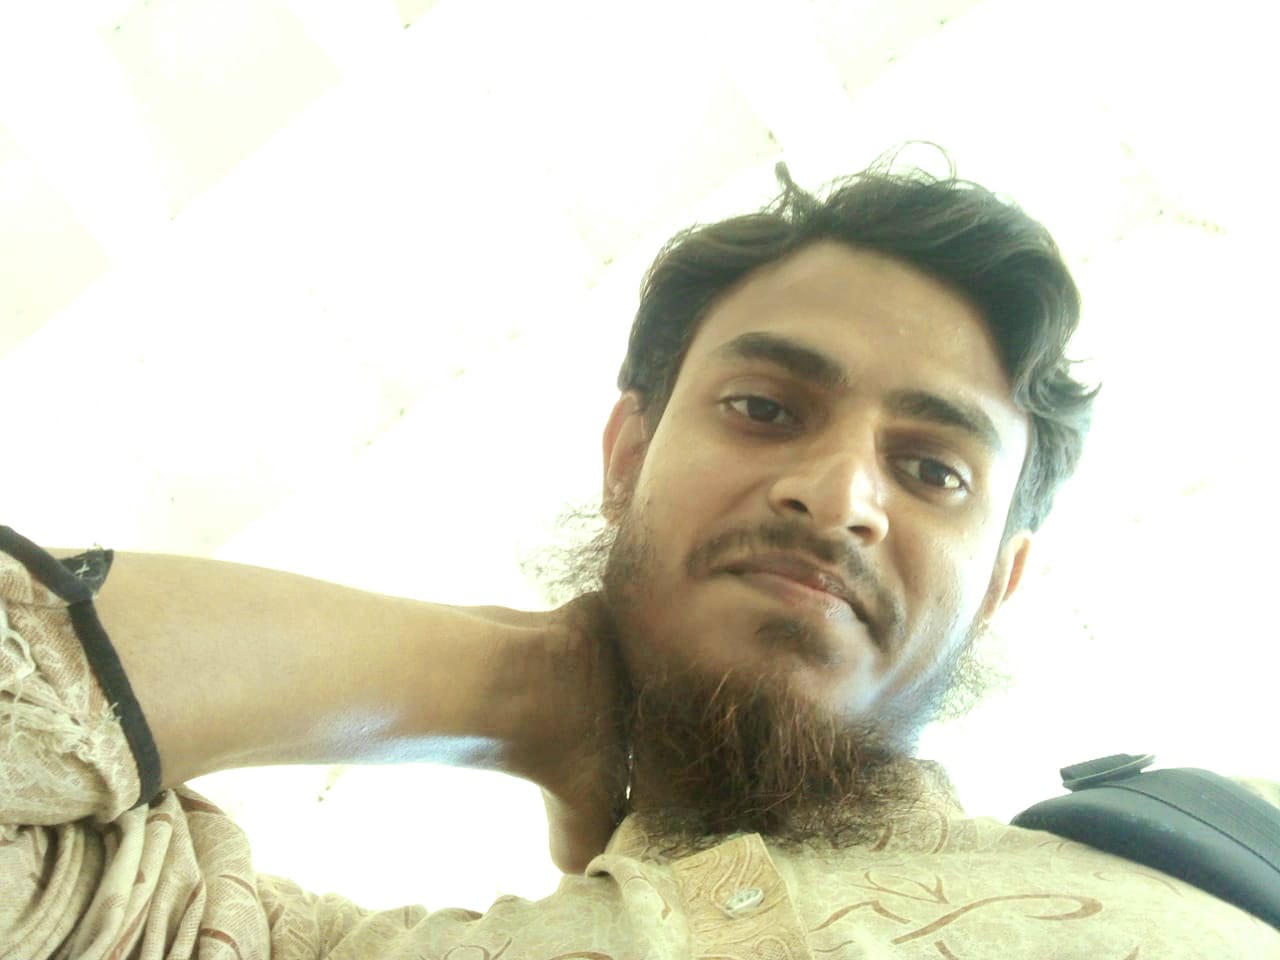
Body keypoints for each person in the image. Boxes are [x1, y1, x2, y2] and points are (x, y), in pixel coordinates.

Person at [3, 153, 1277, 959]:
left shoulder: (1237, 861)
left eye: (932, 470)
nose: (839, 495)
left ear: (996, 585)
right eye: (764, 408)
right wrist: (525, 684)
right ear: (625, 460)